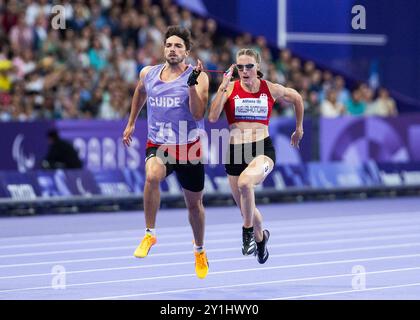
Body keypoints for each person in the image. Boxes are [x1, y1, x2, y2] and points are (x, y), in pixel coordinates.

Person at [122, 26, 210, 279]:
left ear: (187, 52)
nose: (173, 49)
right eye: (169, 45)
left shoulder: (198, 76)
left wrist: (192, 85)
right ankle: (150, 234)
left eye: (178, 46)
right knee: (151, 175)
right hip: (160, 144)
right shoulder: (148, 74)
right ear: (164, 48)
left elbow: (197, 114)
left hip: (189, 148)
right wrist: (130, 123)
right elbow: (140, 92)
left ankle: (199, 250)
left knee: (194, 206)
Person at [208, 48, 304, 264]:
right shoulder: (230, 88)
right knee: (246, 211)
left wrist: (299, 128)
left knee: (245, 183)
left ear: (258, 67)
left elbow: (297, 98)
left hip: (262, 149)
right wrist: (222, 87)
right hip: (235, 152)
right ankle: (261, 239)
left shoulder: (270, 88)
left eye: (249, 66)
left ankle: (247, 233)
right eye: (240, 67)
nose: (244, 70)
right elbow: (212, 117)